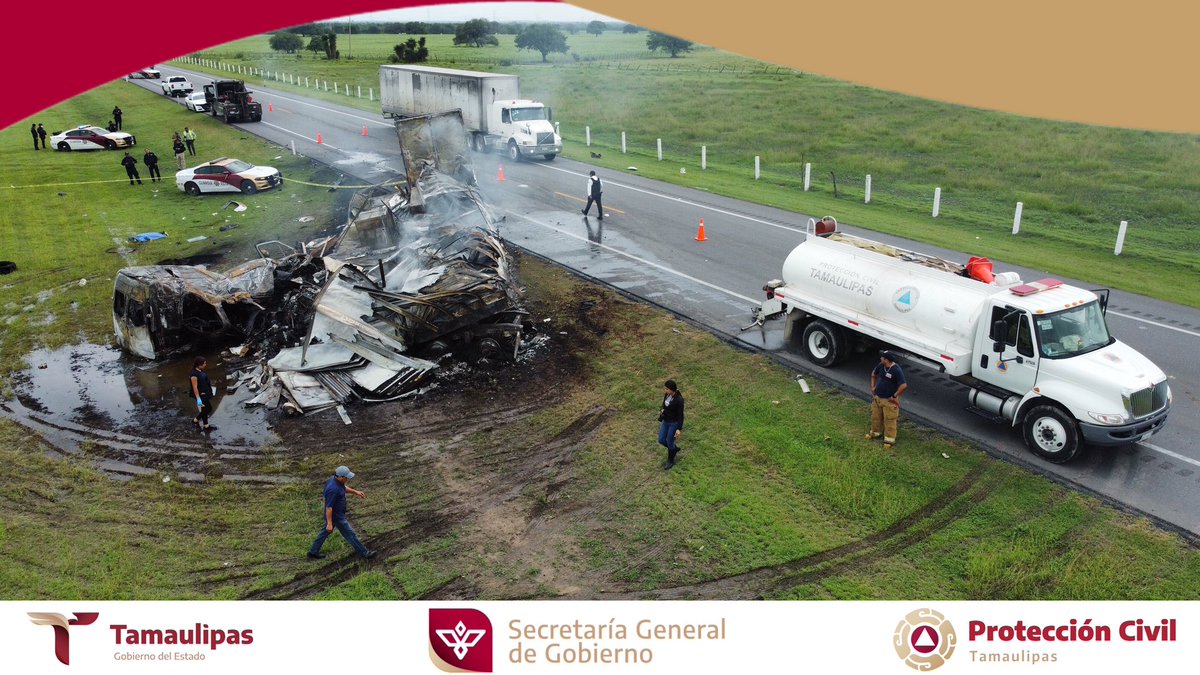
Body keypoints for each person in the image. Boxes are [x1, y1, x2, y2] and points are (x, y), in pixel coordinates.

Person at [307, 466, 376, 560]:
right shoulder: (332, 490)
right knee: (350, 534)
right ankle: (365, 553)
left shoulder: (335, 480)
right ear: (340, 477)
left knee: (324, 533)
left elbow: (343, 488)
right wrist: (330, 523)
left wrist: (355, 492)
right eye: (346, 477)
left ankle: (313, 552)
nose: (347, 479)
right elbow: (329, 508)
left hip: (336, 515)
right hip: (336, 517)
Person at [866, 350, 907, 449]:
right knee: (876, 416)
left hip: (889, 401)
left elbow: (903, 385)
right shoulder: (881, 365)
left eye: (882, 357)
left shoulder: (896, 370)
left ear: (886, 360)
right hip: (878, 398)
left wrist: (894, 396)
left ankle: (889, 439)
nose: (880, 358)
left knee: (890, 419)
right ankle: (875, 432)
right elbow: (873, 374)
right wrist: (873, 387)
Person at [657, 379, 685, 470]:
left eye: (667, 389)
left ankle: (670, 460)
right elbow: (664, 404)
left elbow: (680, 415)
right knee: (661, 439)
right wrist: (662, 411)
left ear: (672, 389)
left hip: (673, 423)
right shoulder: (667, 395)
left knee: (669, 441)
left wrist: (678, 428)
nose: (665, 391)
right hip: (666, 421)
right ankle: (674, 449)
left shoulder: (679, 400)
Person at [189, 355, 215, 431]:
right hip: (200, 395)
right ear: (199, 364)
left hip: (205, 393)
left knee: (205, 409)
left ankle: (204, 424)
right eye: (204, 363)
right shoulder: (194, 374)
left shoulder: (200, 371)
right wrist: (198, 398)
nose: (205, 365)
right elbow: (194, 387)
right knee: (208, 408)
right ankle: (196, 420)